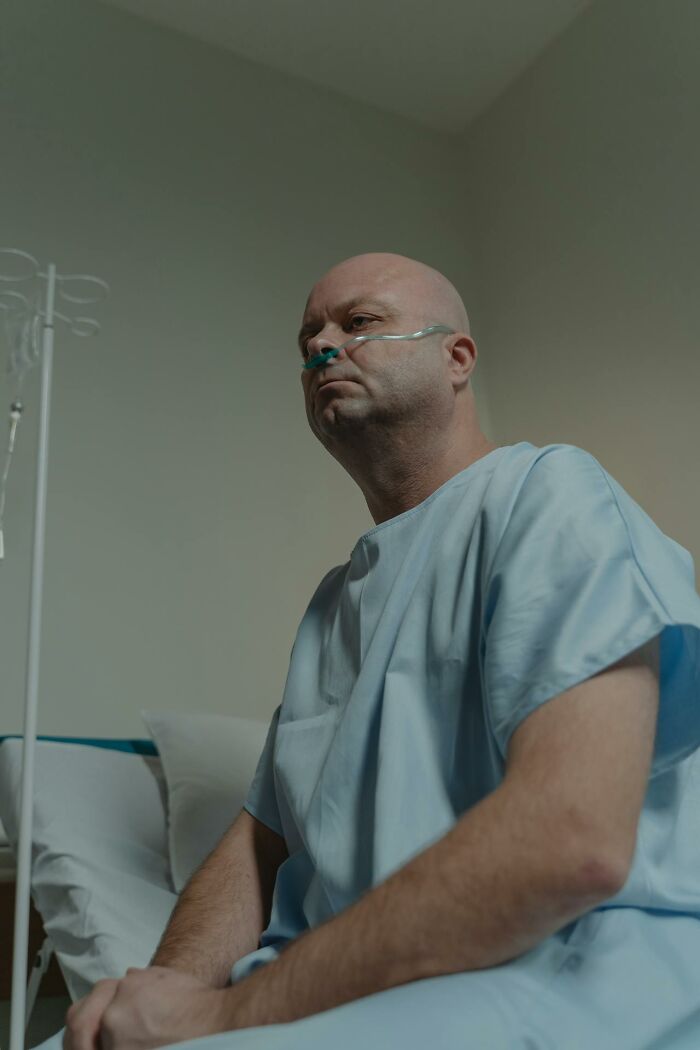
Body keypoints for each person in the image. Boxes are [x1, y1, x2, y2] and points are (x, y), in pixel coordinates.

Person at [46, 252, 700, 1050]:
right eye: (307, 339)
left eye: (360, 324)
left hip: (556, 969)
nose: (323, 346)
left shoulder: (548, 494)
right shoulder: (334, 605)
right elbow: (262, 840)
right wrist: (162, 994)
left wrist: (223, 1017)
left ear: (456, 358)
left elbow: (571, 845)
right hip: (350, 988)